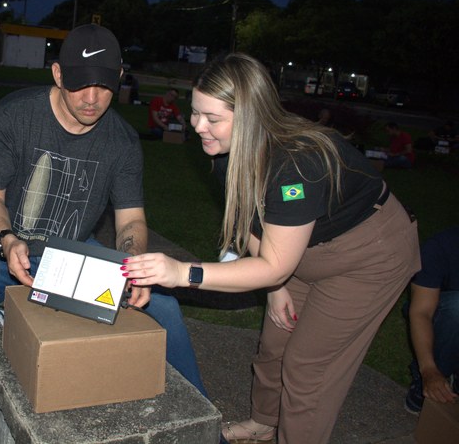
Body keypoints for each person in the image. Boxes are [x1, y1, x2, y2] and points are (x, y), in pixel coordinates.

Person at [0, 24, 206, 443]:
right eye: (80, 85)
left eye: (103, 85)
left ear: (117, 79)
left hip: (72, 252)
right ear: (59, 75)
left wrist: (132, 264)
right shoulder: (17, 114)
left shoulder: (121, 141)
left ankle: (208, 429)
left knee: (165, 309)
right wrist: (7, 239)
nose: (92, 98)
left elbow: (131, 220)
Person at [122, 53, 420, 444]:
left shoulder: (295, 163)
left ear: (250, 115)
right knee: (275, 343)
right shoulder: (227, 152)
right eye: (195, 113)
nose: (197, 127)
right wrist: (276, 286)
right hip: (299, 247)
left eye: (212, 118)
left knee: (307, 369)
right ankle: (264, 422)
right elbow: (250, 223)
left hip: (367, 256)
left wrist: (183, 272)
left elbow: (276, 262)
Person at [404, 226, 459, 414]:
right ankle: (428, 381)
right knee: (457, 307)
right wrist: (428, 369)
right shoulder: (442, 246)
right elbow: (421, 312)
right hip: (440, 318)